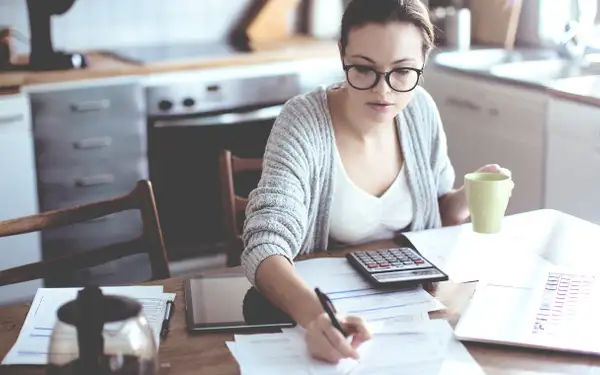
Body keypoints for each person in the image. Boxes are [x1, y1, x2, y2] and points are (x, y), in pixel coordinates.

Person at [240, 0, 512, 364]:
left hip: (412, 322)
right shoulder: (303, 122)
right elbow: (264, 243)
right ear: (342, 54)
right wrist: (316, 317)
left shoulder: (421, 110)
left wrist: (466, 197)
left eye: (402, 72)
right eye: (364, 69)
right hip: (322, 317)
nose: (383, 91)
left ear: (422, 62)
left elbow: (436, 213)